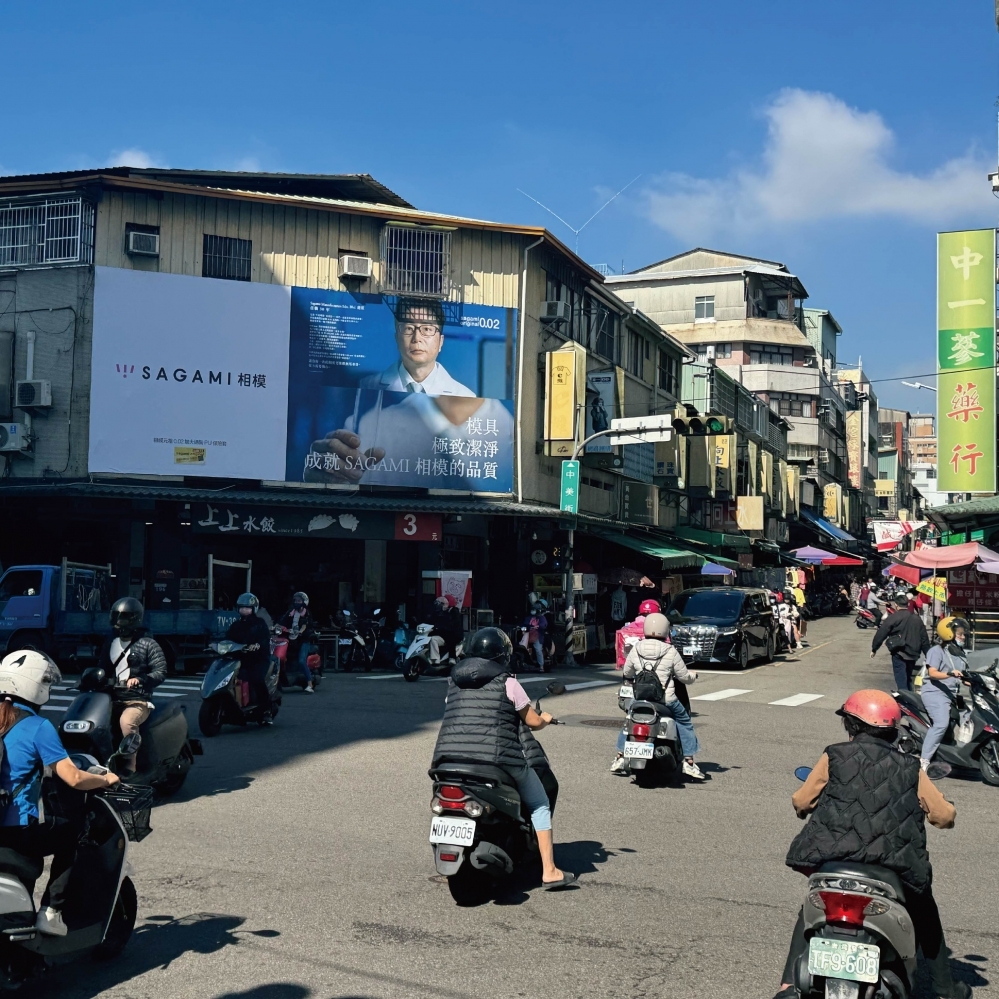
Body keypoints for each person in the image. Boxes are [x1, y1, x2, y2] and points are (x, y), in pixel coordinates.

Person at [772, 689, 968, 999]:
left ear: (851, 725)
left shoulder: (834, 755)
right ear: (892, 730)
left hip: (834, 862)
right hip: (894, 867)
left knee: (812, 905)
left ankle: (787, 986)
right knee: (925, 913)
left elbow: (802, 801)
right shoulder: (910, 766)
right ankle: (945, 989)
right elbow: (944, 816)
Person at [431, 627, 576, 889]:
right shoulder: (507, 682)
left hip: (448, 760)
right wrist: (544, 718)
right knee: (539, 803)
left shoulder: (453, 681)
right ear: (503, 655)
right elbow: (531, 721)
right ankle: (550, 870)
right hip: (496, 760)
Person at [0, 650, 121, 937]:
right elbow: (74, 778)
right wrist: (106, 779)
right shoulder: (37, 726)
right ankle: (51, 911)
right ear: (34, 685)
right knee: (72, 831)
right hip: (18, 829)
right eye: (46, 683)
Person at [611, 613, 704, 780]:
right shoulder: (670, 651)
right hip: (666, 701)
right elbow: (684, 677)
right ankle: (689, 761)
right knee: (684, 721)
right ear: (665, 630)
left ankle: (619, 756)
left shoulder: (637, 648)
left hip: (640, 699)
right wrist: (693, 675)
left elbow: (627, 673)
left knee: (629, 720)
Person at [96, 597, 167, 774]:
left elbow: (160, 671)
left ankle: (130, 767)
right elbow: (102, 668)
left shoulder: (148, 643)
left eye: (124, 617)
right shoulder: (110, 642)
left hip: (137, 700)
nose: (120, 622)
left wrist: (140, 679)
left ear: (135, 619)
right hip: (110, 698)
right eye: (117, 616)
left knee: (127, 723)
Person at [360, 298, 474, 396]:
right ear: (397, 338)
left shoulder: (464, 395)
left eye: (427, 329)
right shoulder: (365, 386)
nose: (417, 338)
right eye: (409, 328)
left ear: (440, 341)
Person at [920, 617, 970, 772]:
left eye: (963, 634)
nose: (963, 637)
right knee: (941, 724)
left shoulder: (960, 654)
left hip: (953, 694)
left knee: (969, 717)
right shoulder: (936, 651)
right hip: (935, 693)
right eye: (960, 634)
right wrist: (949, 674)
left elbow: (964, 676)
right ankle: (924, 760)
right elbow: (932, 673)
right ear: (949, 634)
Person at [225, 592, 274, 724]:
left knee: (256, 678)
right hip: (240, 658)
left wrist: (257, 645)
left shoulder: (260, 623)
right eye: (242, 607)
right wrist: (217, 645)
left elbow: (265, 639)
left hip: (258, 659)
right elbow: (227, 638)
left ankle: (266, 710)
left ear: (254, 608)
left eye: (247, 607)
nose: (244, 610)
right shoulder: (236, 625)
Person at [870, 597, 931, 692]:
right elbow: (924, 639)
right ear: (908, 604)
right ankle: (909, 695)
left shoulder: (893, 617)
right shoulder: (917, 619)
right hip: (914, 653)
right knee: (908, 677)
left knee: (901, 678)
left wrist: (874, 648)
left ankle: (904, 696)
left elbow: (881, 633)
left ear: (896, 605)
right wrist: (929, 655)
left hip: (899, 652)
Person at [277, 591, 317, 693]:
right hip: (291, 640)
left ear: (304, 602)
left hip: (303, 640)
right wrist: (276, 627)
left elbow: (305, 625)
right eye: (295, 600)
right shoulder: (290, 612)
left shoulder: (307, 613)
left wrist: (300, 632)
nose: (296, 602)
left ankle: (309, 684)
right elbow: (282, 622)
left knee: (301, 661)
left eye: (299, 601)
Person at [428, 594, 464, 659]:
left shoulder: (454, 612)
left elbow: (453, 624)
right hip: (444, 634)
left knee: (450, 638)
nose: (441, 605)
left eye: (443, 603)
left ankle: (452, 657)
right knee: (433, 639)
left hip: (454, 634)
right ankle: (435, 659)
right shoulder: (440, 612)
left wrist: (442, 627)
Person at [523, 599, 549, 670]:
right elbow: (525, 624)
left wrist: (538, 626)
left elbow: (544, 624)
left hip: (537, 636)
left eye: (534, 610)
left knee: (538, 649)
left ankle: (541, 666)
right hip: (527, 635)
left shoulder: (541, 617)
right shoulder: (529, 617)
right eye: (533, 609)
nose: (533, 611)